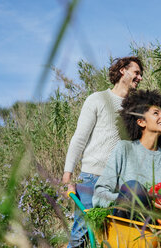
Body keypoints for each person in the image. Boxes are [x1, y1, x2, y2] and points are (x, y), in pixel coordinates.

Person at [62, 56, 143, 248]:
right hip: (92, 178)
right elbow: (79, 138)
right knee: (81, 233)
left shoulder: (135, 109)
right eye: (137, 73)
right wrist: (68, 174)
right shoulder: (97, 99)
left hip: (118, 184)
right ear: (122, 70)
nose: (140, 78)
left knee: (109, 237)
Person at [92, 89, 161, 217]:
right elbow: (99, 195)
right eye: (156, 113)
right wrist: (132, 199)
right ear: (141, 121)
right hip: (125, 222)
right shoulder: (124, 149)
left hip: (156, 224)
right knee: (133, 188)